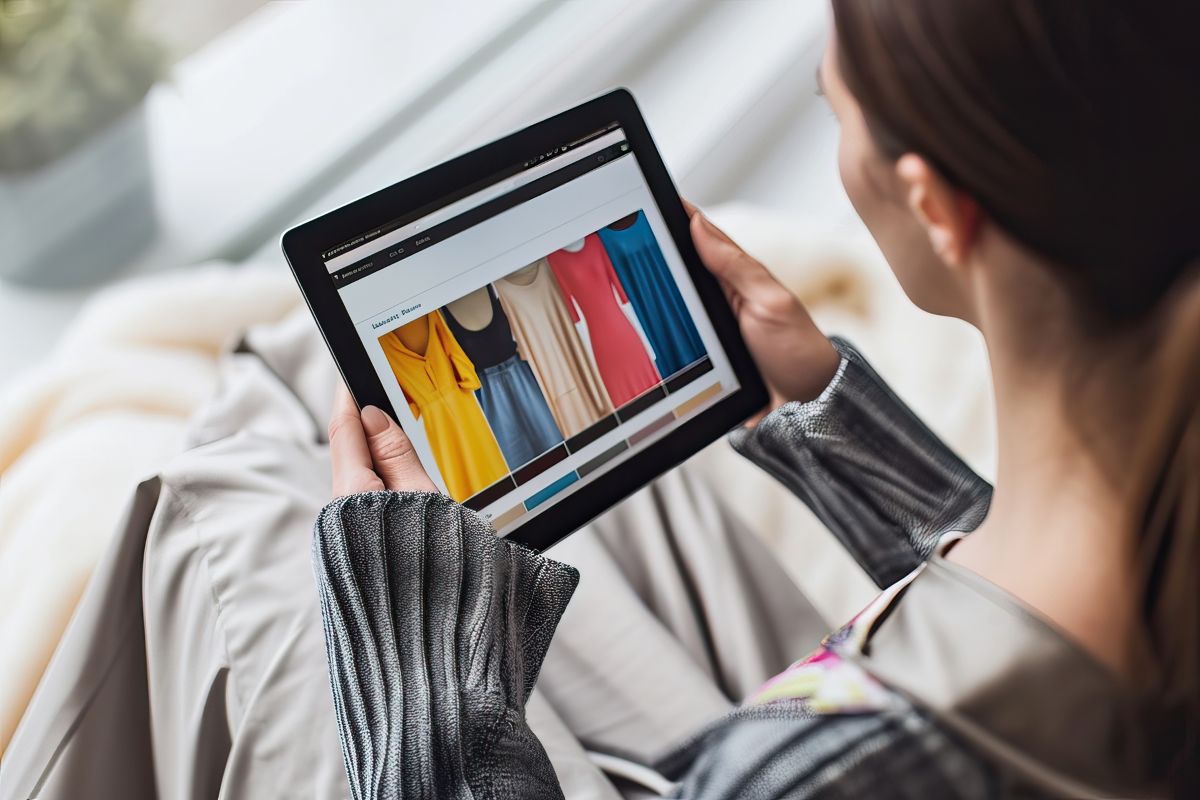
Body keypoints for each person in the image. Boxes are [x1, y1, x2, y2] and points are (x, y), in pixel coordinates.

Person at [316, 2, 1199, 798]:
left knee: (254, 448)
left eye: (836, 111)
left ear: (934, 205)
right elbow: (1008, 612)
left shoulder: (785, 778)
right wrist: (825, 407)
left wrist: (411, 641)